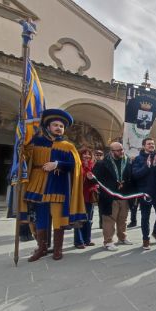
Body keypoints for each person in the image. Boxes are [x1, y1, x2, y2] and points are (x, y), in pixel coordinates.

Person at [22, 109, 86, 261]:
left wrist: (57, 164)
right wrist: (21, 149)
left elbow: (75, 165)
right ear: (48, 126)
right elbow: (24, 159)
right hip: (37, 185)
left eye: (61, 126)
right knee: (40, 219)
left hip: (58, 187)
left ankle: (58, 249)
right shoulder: (35, 142)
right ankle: (42, 248)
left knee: (59, 219)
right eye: (55, 125)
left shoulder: (68, 146)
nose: (59, 128)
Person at [91, 142, 133, 251]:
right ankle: (108, 241)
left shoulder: (127, 161)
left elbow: (131, 177)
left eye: (122, 149)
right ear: (111, 151)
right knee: (109, 220)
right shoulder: (102, 163)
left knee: (123, 219)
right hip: (109, 197)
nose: (121, 152)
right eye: (118, 150)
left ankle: (122, 237)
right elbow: (94, 178)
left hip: (124, 195)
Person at [132, 137, 156, 249]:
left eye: (153, 144)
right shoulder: (138, 159)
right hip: (145, 193)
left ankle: (155, 232)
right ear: (144, 146)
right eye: (149, 144)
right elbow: (135, 175)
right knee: (145, 217)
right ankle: (146, 239)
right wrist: (147, 166)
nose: (151, 145)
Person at [73, 147, 98, 248]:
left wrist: (94, 182)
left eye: (89, 154)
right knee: (79, 219)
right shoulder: (77, 165)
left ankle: (87, 240)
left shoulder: (93, 166)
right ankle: (78, 241)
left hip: (89, 196)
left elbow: (97, 180)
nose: (87, 156)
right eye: (84, 154)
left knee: (89, 219)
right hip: (79, 196)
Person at [94, 149, 104, 229]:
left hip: (103, 187)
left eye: (100, 155)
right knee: (100, 206)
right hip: (95, 187)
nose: (98, 156)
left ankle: (102, 223)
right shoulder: (93, 164)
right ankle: (101, 222)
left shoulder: (104, 164)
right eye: (97, 155)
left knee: (102, 206)